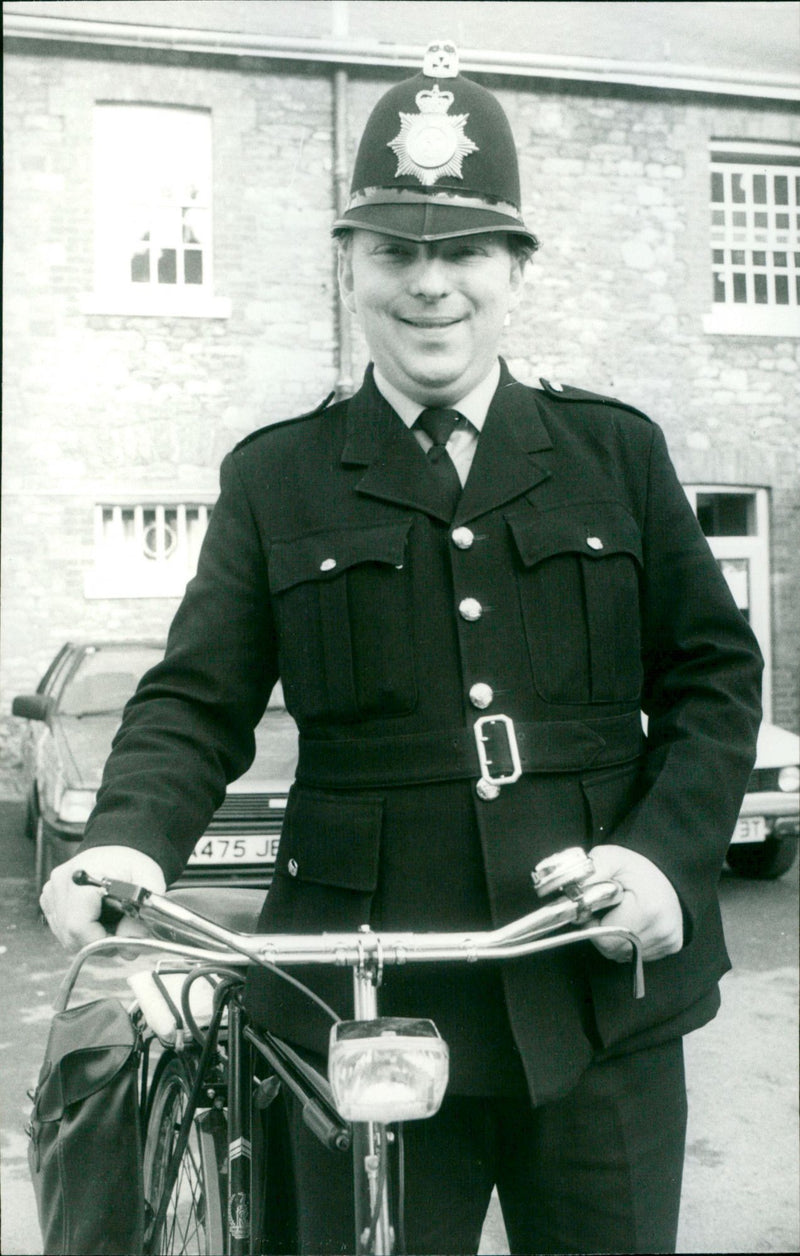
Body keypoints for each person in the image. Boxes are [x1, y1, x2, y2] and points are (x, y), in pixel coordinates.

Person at [41, 42, 763, 1255]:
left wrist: (660, 860)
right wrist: (124, 837)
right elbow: (194, 697)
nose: (431, 286)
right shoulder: (277, 474)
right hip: (355, 1007)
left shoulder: (613, 453)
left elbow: (711, 678)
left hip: (594, 990)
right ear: (347, 271)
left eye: (465, 249)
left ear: (514, 268)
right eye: (395, 251)